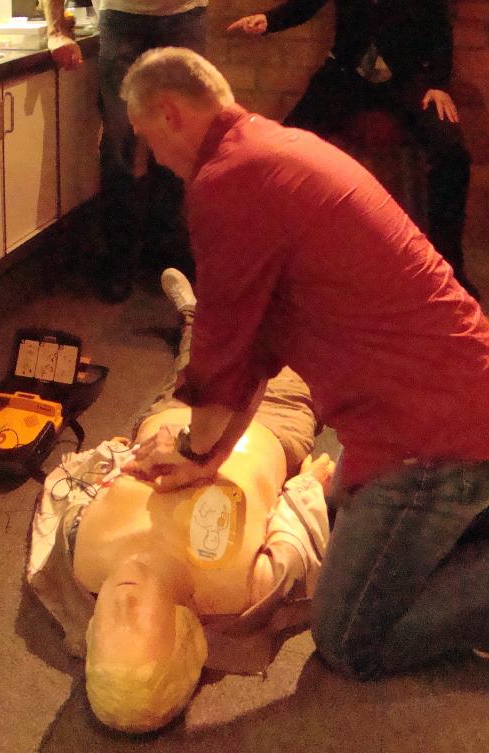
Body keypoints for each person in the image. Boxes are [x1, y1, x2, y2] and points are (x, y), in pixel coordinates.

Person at [119, 48, 489, 680]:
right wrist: (209, 457)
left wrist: (192, 450)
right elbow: (251, 352)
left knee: (349, 635)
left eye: (145, 136)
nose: (150, 156)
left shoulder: (226, 184)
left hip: (432, 440)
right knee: (340, 513)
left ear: (171, 113)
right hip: (464, 400)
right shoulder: (270, 149)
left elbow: (219, 348)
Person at [27, 269, 333, 732]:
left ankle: (194, 318)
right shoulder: (236, 588)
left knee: (198, 363)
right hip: (272, 420)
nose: (121, 606)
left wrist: (109, 459)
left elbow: (68, 494)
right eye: (137, 627)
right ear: (180, 637)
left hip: (170, 420)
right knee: (297, 336)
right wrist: (311, 488)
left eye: (105, 634)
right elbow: (297, 539)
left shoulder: (84, 559)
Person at [227, 0, 478, 298]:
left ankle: (448, 266)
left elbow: (440, 27)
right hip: (347, 72)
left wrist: (438, 82)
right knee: (288, 148)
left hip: (407, 77)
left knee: (452, 152)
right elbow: (307, 3)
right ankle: (271, 254)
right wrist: (269, 20)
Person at [43, 0, 206, 303]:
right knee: (120, 140)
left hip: (185, 15)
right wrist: (56, 31)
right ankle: (119, 257)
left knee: (180, 135)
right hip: (122, 18)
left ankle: (167, 252)